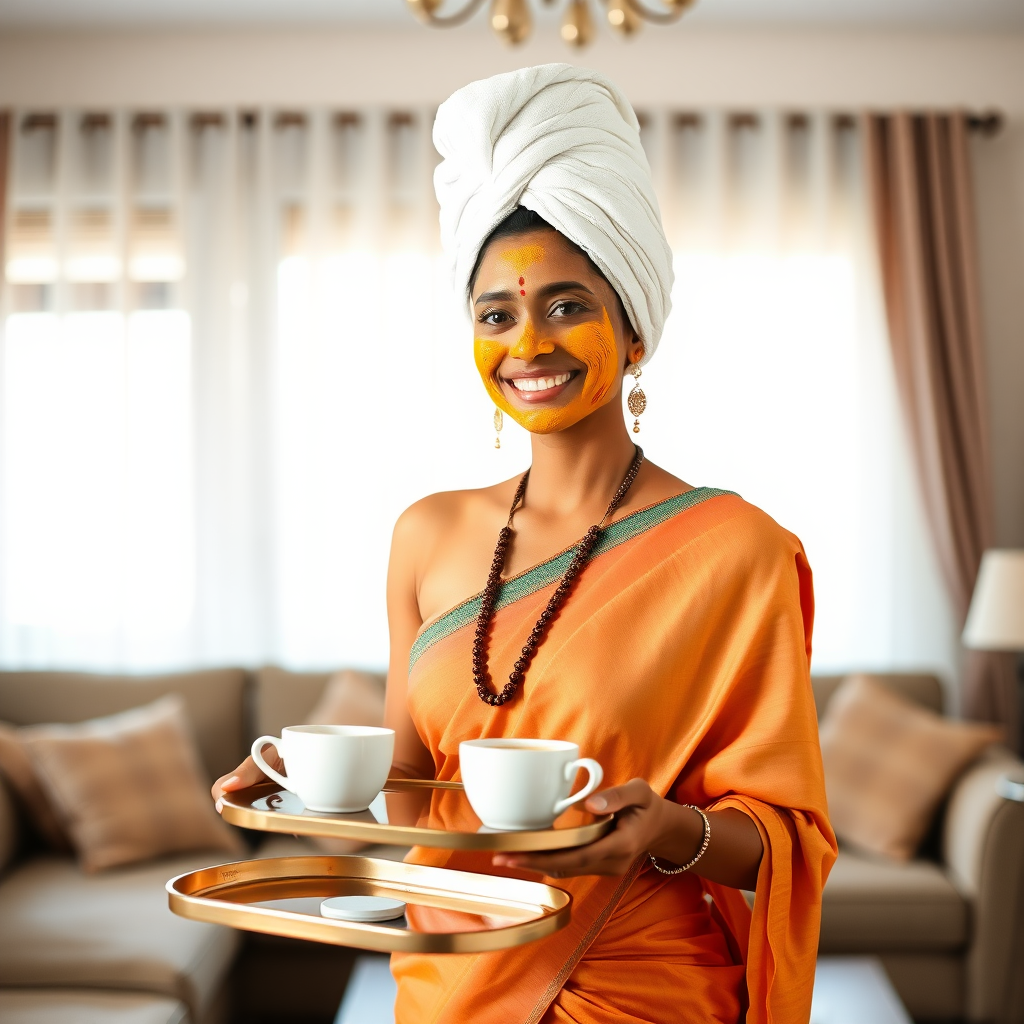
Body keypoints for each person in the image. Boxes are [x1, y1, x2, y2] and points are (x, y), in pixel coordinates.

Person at [213, 64, 836, 1024]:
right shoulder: (426, 533)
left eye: (567, 305)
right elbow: (417, 780)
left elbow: (787, 837)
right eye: (495, 315)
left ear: (633, 332)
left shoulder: (736, 549)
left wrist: (668, 830)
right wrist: (300, 785)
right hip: (453, 970)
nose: (527, 344)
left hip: (643, 982)